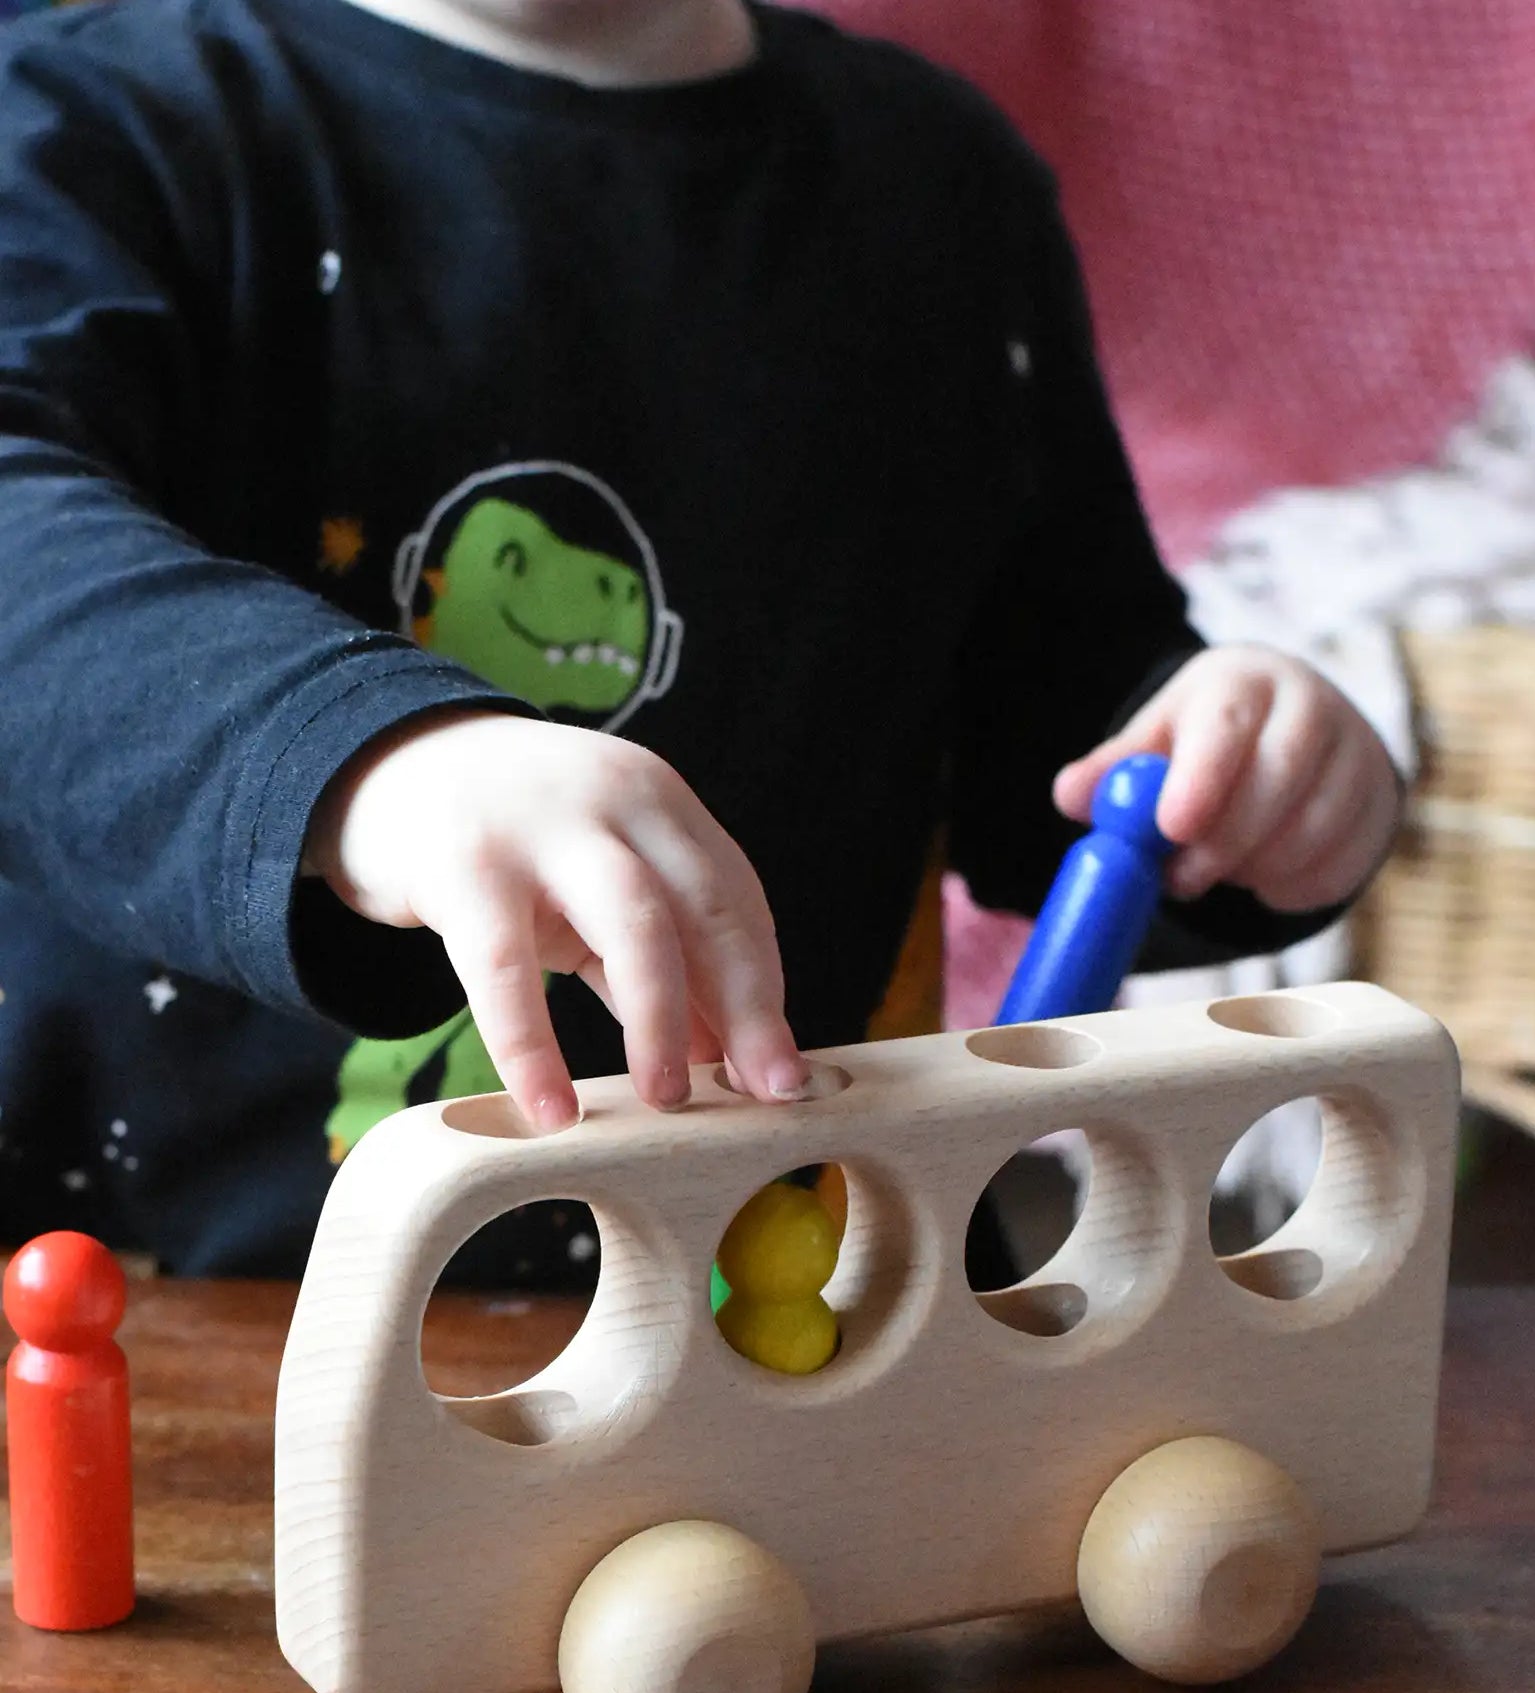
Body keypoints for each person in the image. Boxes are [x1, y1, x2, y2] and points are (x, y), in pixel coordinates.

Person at [0, 0, 1401, 1285]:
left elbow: (1072, 727)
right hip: (168, 1328)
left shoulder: (942, 186)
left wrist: (1236, 768)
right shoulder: (95, 118)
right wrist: (371, 767)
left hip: (791, 1327)